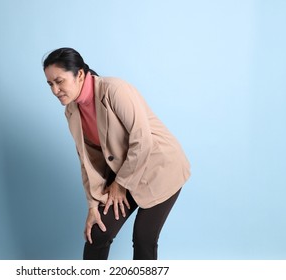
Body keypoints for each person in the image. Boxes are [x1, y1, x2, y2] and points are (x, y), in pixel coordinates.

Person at [43, 47, 190, 260]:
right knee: (97, 234)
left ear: (80, 75)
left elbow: (142, 141)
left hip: (159, 168)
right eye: (50, 84)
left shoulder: (115, 90)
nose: (55, 90)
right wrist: (93, 205)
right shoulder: (71, 112)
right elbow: (87, 161)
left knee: (143, 238)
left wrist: (120, 185)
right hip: (124, 171)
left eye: (59, 81)